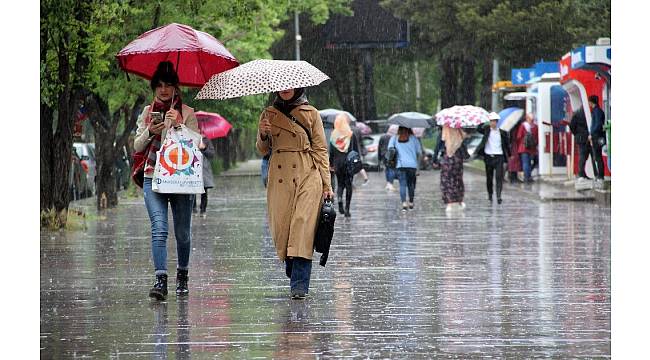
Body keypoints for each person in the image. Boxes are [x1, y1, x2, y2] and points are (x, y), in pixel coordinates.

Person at [256, 87, 333, 300]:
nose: (285, 90)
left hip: (307, 173)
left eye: (289, 87)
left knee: (303, 227)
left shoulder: (312, 114)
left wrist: (327, 184)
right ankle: (294, 268)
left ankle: (299, 284)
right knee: (284, 229)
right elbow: (263, 150)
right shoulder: (268, 114)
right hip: (280, 177)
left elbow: (320, 149)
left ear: (298, 87)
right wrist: (263, 134)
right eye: (280, 87)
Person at [133, 61, 199, 300]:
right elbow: (136, 145)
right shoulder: (147, 112)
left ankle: (182, 274)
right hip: (153, 176)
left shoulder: (188, 112)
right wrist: (150, 130)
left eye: (168, 85)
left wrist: (180, 124)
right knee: (159, 229)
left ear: (175, 88)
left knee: (182, 233)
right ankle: (160, 280)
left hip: (181, 179)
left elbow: (198, 145)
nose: (163, 90)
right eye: (159, 85)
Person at [476, 112, 511, 204]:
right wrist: (482, 121)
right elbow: (478, 129)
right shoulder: (487, 130)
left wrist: (509, 155)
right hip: (488, 156)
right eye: (491, 121)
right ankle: (490, 194)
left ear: (497, 122)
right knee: (489, 178)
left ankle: (499, 196)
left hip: (499, 157)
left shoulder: (502, 132)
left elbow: (507, 145)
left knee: (499, 177)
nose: (493, 123)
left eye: (494, 121)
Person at [329, 113, 360, 217]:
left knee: (340, 184)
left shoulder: (334, 136)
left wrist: (331, 164)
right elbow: (355, 151)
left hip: (338, 164)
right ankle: (347, 209)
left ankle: (339, 202)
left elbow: (331, 152)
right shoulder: (350, 134)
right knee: (348, 185)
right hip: (348, 164)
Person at [388, 126, 421, 211]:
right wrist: (418, 167)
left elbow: (390, 150)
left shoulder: (394, 138)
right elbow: (419, 153)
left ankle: (404, 203)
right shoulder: (414, 139)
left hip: (400, 165)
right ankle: (411, 202)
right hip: (412, 166)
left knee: (402, 184)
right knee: (411, 185)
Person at [440, 126, 467, 212]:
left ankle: (450, 202)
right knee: (458, 179)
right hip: (458, 159)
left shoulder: (445, 129)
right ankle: (459, 200)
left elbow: (440, 143)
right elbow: (463, 143)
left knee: (447, 180)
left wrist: (434, 159)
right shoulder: (460, 130)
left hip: (448, 158)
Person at [193, 130, 215, 217]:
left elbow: (212, 154)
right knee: (192, 189)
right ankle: (193, 208)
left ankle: (203, 210)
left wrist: (204, 148)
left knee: (204, 190)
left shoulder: (207, 141)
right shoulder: (191, 139)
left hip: (204, 169)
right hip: (193, 167)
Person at [568, 107, 594, 180]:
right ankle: (592, 174)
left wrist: (576, 133)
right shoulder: (590, 112)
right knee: (592, 156)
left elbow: (571, 126)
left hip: (580, 138)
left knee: (582, 156)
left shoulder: (577, 113)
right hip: (589, 137)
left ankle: (582, 174)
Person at [516, 114, 538, 183]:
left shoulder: (523, 126)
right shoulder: (535, 127)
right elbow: (537, 138)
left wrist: (521, 143)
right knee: (533, 162)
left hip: (523, 147)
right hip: (532, 148)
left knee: (526, 163)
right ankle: (528, 176)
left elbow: (519, 137)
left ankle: (526, 177)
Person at [588, 95, 606, 181]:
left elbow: (597, 124)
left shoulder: (597, 112)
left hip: (597, 136)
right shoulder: (597, 111)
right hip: (597, 136)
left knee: (598, 156)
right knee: (597, 156)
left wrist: (591, 133)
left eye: (589, 102)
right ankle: (599, 175)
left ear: (592, 102)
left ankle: (600, 176)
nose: (588, 103)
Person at [378, 125, 398, 191]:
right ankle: (390, 184)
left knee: (387, 169)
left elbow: (379, 147)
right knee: (391, 169)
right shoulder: (394, 138)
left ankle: (388, 184)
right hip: (391, 155)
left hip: (384, 155)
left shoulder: (383, 137)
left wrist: (379, 157)